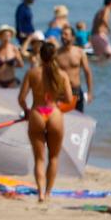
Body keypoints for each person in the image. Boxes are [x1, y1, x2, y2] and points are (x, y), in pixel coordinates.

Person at [17, 40, 74, 202]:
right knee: (54, 157)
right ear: (55, 56)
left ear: (40, 56)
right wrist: (57, 102)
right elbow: (69, 99)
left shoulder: (33, 73)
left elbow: (21, 98)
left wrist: (27, 111)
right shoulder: (62, 75)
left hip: (37, 112)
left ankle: (40, 193)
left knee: (39, 158)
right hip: (54, 112)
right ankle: (49, 192)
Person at [56, 25, 92, 111]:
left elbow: (87, 72)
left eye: (65, 34)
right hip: (62, 92)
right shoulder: (56, 54)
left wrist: (90, 92)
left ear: (72, 37)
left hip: (76, 90)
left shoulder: (79, 52)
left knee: (79, 120)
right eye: (61, 34)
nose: (62, 36)